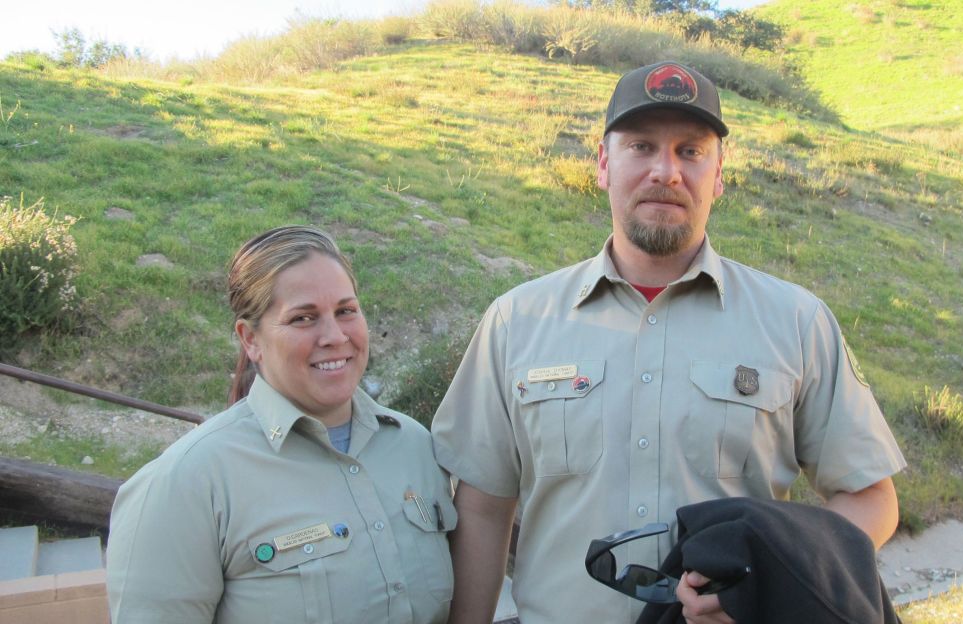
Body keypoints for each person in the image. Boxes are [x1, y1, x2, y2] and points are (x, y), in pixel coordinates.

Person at [431, 61, 906, 624]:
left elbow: (872, 499)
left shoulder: (797, 322)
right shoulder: (517, 321)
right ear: (604, 164)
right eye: (641, 146)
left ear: (719, 174)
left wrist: (774, 579)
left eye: (691, 151)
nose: (666, 171)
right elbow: (483, 509)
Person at [107, 225, 456, 623]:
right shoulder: (185, 484)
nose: (335, 336)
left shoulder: (414, 446)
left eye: (346, 311)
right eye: (303, 318)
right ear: (250, 339)